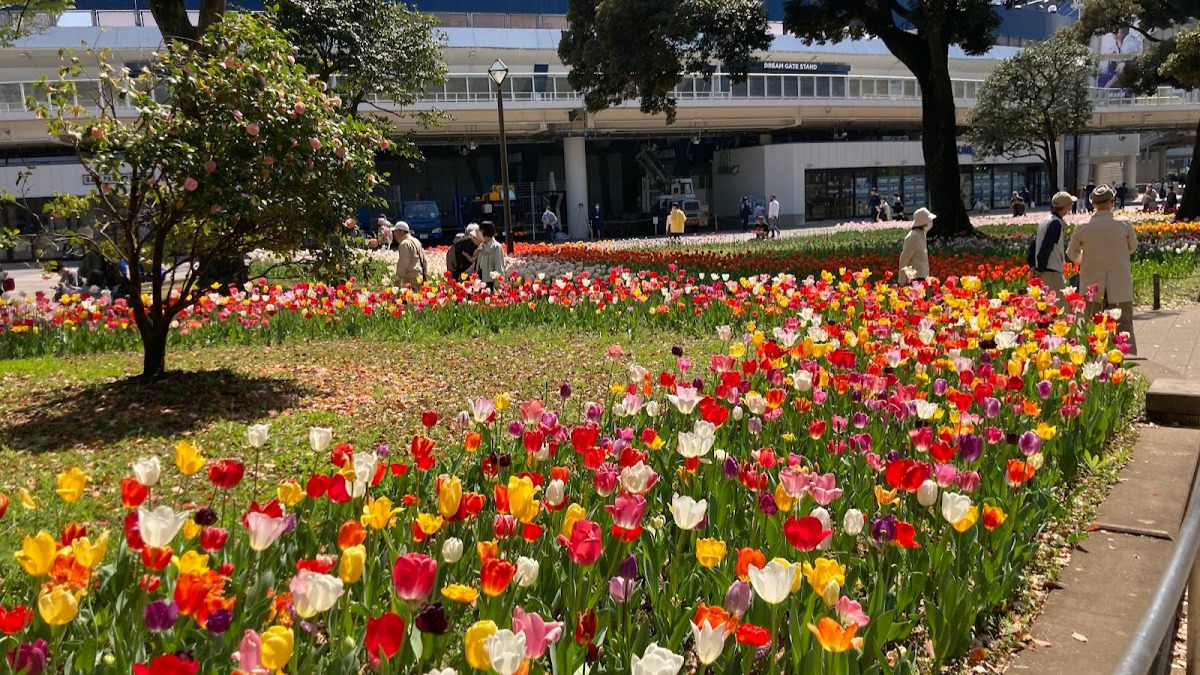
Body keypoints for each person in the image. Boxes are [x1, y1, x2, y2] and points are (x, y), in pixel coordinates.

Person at [1067, 184, 1138, 355]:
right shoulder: (1124, 224)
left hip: (1092, 283)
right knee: (1124, 324)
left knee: (1093, 324)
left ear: (1093, 204)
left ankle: (1095, 363)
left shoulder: (1083, 226)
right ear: (1112, 202)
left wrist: (1084, 260)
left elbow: (1071, 253)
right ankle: (1125, 361)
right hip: (1119, 282)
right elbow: (1133, 247)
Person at [1028, 191, 1076, 294]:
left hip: (1043, 270)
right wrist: (1040, 268)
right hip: (1051, 271)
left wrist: (1033, 265)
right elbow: (1047, 246)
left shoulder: (1045, 220)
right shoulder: (1056, 223)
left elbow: (1034, 244)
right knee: (1059, 306)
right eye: (1070, 205)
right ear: (1066, 207)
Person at [898, 208, 934, 285]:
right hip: (915, 278)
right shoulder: (913, 237)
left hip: (923, 276)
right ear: (924, 223)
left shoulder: (922, 234)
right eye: (929, 220)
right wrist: (902, 280)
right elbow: (904, 258)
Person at [393, 221, 427, 287]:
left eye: (395, 231)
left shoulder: (404, 244)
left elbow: (403, 263)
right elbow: (424, 261)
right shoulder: (416, 241)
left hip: (410, 279)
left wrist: (398, 279)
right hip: (419, 276)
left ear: (401, 232)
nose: (394, 234)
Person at [474, 220, 506, 290]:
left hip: (490, 280)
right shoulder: (482, 246)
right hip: (481, 280)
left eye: (480, 231)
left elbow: (499, 266)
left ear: (484, 232)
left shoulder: (496, 247)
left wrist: (498, 284)